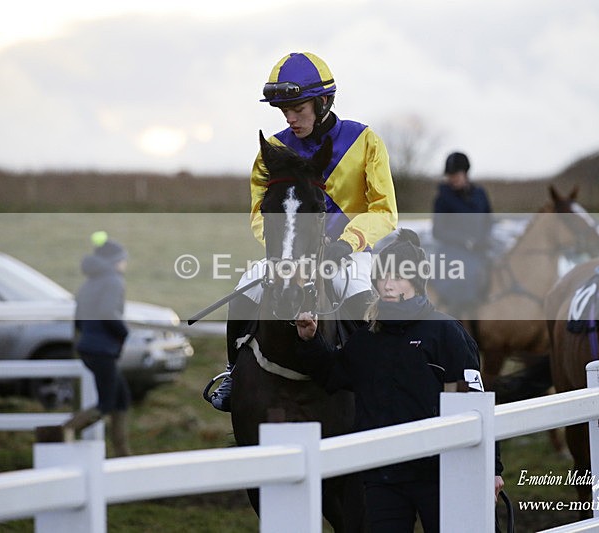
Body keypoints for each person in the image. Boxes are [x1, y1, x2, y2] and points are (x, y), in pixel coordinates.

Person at [207, 51, 398, 412]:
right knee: (245, 287)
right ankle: (234, 371)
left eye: (298, 109)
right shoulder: (273, 150)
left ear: (323, 101)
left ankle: (375, 376)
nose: (290, 119)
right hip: (289, 254)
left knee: (357, 291)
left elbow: (384, 210)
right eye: (284, 111)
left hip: (350, 252)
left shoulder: (365, 141)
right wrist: (287, 253)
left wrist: (346, 244)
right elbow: (260, 213)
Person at [294, 229, 504, 532]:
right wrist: (310, 340)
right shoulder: (366, 340)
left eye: (398, 277)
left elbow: (477, 403)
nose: (387, 284)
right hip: (382, 479)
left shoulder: (446, 333)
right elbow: (331, 374)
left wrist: (492, 469)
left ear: (417, 281)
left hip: (439, 474)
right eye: (382, 277)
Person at [73, 231, 132, 456]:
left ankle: (123, 454)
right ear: (115, 261)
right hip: (102, 350)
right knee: (106, 404)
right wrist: (123, 332)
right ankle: (57, 435)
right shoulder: (113, 281)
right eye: (123, 259)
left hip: (89, 347)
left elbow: (78, 319)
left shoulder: (90, 282)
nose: (125, 264)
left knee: (121, 398)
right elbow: (109, 312)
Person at [430, 151, 493, 317]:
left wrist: (484, 239)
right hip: (453, 252)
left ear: (465, 173)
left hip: (480, 249)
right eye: (449, 175)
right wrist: (465, 242)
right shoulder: (442, 198)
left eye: (456, 174)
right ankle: (456, 318)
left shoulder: (480, 194)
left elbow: (488, 220)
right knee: (463, 279)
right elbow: (438, 231)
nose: (452, 179)